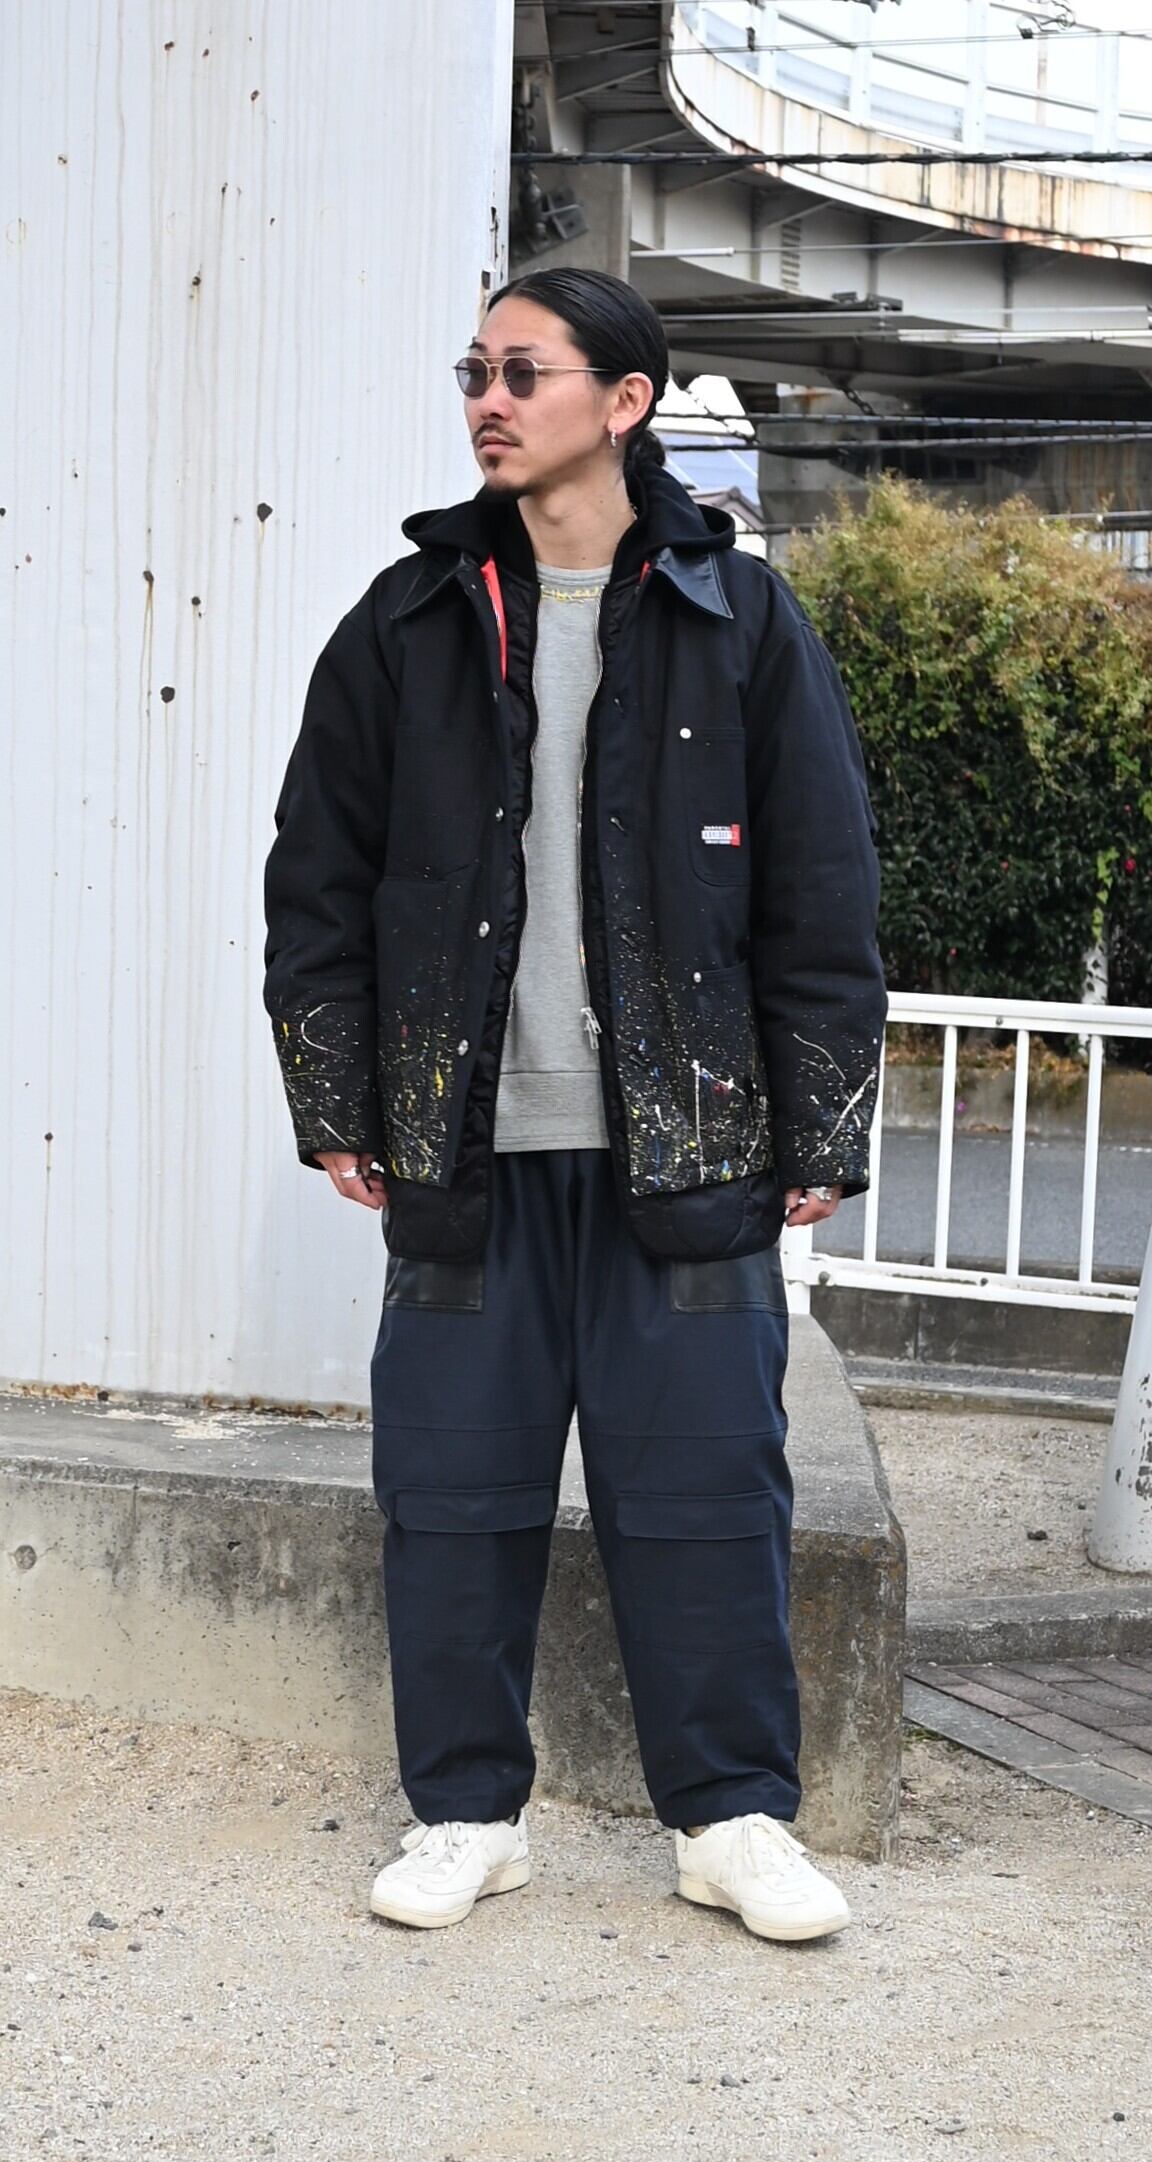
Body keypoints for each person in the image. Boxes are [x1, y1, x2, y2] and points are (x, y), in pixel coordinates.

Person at [262, 267, 885, 1944]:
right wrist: (337, 1092)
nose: (487, 398)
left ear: (623, 401)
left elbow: (822, 889)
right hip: (464, 1147)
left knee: (709, 1496)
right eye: (474, 369)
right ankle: (465, 1812)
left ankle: (733, 1817)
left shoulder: (737, 619)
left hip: (688, 1149)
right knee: (449, 1495)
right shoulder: (406, 622)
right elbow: (315, 883)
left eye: (522, 371)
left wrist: (820, 1124)